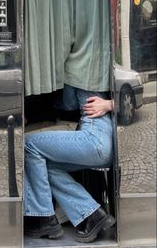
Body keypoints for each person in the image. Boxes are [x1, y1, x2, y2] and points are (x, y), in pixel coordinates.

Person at [24, 86, 115, 243]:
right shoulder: (97, 74)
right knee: (45, 164)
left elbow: (69, 103)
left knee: (29, 145)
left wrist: (109, 104)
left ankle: (44, 217)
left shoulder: (79, 70)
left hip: (94, 138)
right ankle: (91, 215)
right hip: (105, 139)